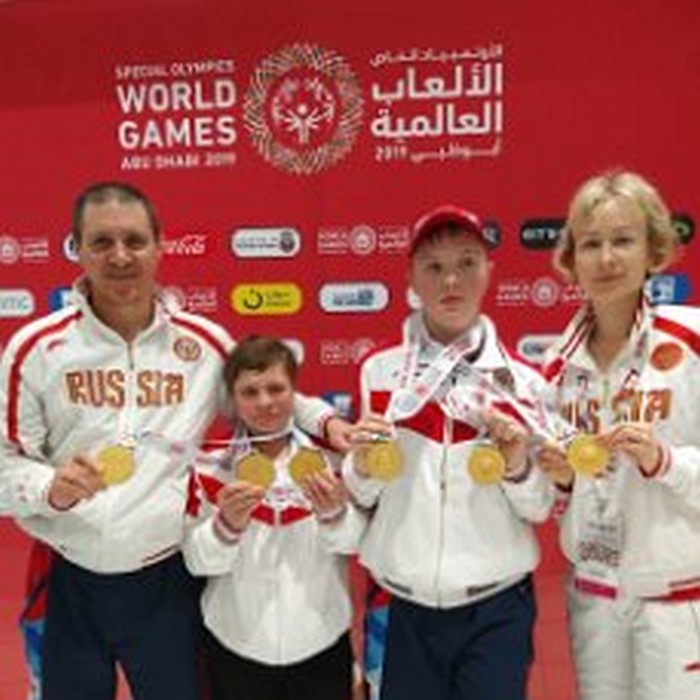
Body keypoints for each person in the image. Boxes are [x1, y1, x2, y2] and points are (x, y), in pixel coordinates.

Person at [0, 182, 351, 700]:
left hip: (166, 578)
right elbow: (5, 465)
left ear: (160, 246)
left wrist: (325, 423)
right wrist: (51, 487)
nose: (120, 256)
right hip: (71, 575)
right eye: (102, 242)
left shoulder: (203, 344)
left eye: (134, 240)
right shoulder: (36, 348)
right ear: (78, 249)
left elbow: (264, 394)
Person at [343, 204, 555, 700]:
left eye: (466, 263)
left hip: (496, 606)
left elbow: (539, 506)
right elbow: (360, 493)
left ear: (489, 271)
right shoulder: (379, 372)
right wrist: (366, 464)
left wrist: (516, 465)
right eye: (434, 267)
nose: (451, 281)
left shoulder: (524, 382)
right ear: (411, 277)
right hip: (401, 604)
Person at [539, 170, 700, 700]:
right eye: (591, 244)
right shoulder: (556, 366)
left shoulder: (692, 340)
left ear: (654, 249)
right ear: (571, 259)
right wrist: (561, 481)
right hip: (595, 595)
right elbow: (552, 495)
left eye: (623, 240)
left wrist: (663, 460)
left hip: (675, 597)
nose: (606, 258)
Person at [183, 335, 365, 700]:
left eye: (276, 389)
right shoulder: (208, 466)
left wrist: (335, 515)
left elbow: (356, 543)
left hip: (322, 646)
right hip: (237, 649)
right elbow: (198, 562)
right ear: (233, 399)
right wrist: (225, 527)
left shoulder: (333, 460)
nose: (265, 402)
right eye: (250, 392)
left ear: (294, 391)